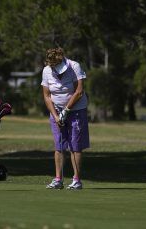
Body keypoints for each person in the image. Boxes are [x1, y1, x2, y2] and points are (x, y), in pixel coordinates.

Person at [41, 47, 90, 190]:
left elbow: (79, 91)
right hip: (56, 111)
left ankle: (76, 180)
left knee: (75, 146)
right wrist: (56, 115)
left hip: (76, 110)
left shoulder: (74, 66)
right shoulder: (46, 71)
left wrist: (67, 110)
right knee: (59, 145)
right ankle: (58, 179)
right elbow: (47, 95)